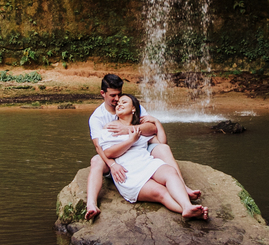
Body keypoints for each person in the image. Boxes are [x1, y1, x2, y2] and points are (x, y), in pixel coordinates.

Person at [85, 74, 199, 220]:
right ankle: (91, 204)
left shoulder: (131, 105)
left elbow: (151, 128)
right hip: (116, 156)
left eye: (120, 95)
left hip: (139, 150)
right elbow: (99, 147)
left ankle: (183, 188)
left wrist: (129, 130)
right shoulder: (98, 118)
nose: (117, 99)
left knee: (163, 149)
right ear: (103, 93)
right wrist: (112, 165)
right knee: (96, 161)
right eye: (113, 95)